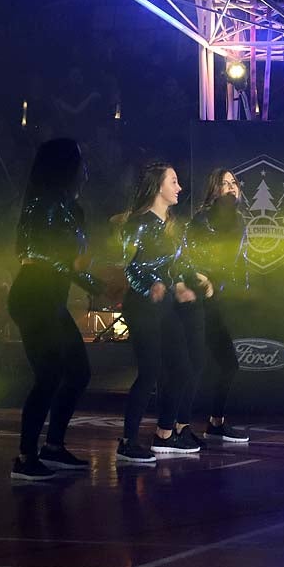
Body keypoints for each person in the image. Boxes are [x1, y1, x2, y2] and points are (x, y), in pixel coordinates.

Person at [7, 138, 104, 481]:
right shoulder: (41, 203)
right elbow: (31, 253)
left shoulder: (70, 207)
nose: (86, 170)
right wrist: (78, 270)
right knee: (48, 375)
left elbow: (69, 264)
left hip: (51, 300)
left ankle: (53, 447)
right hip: (33, 297)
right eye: (81, 162)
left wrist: (95, 283)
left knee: (78, 373)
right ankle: (25, 457)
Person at [116, 162, 201, 463]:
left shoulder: (171, 225)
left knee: (183, 368)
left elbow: (175, 264)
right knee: (150, 371)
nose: (179, 188)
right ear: (158, 187)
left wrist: (186, 283)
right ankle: (127, 441)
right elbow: (130, 265)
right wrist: (149, 285)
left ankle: (165, 434)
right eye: (174, 182)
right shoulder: (138, 223)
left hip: (165, 306)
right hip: (142, 306)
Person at [179, 168, 250, 444]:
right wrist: (201, 280)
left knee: (228, 362)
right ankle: (177, 426)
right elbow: (187, 256)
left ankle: (216, 423)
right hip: (197, 299)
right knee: (193, 363)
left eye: (233, 182)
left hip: (219, 299)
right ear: (214, 190)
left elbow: (234, 261)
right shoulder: (202, 220)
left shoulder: (239, 220)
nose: (231, 187)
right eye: (224, 183)